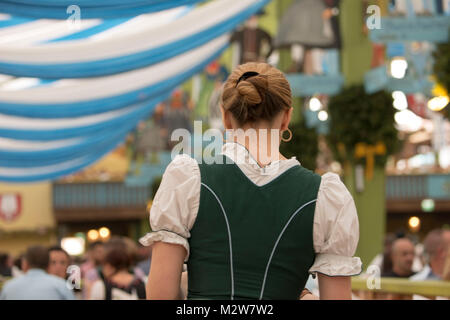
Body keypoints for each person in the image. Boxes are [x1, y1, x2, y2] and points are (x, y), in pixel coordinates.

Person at [140, 62, 362, 300]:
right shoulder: (325, 196)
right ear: (287, 118)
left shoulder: (189, 180)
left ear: (225, 117)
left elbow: (160, 296)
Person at [0, 246, 75, 300]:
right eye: (53, 262)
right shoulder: (61, 286)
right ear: (46, 264)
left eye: (63, 262)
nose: (58, 267)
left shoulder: (9, 286)